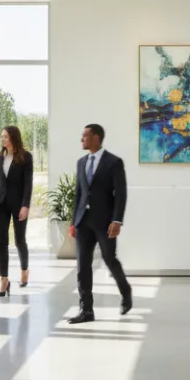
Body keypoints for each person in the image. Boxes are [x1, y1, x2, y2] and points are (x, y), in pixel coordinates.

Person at [69, 124, 132, 324]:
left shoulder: (113, 162)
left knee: (109, 259)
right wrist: (73, 222)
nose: (81, 139)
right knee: (82, 266)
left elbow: (120, 194)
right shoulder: (81, 163)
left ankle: (126, 292)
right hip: (82, 222)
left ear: (96, 137)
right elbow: (78, 195)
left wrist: (117, 220)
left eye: (85, 136)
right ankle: (86, 310)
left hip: (105, 223)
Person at [0, 125, 34, 296]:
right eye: (2, 136)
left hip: (18, 205)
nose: (3, 140)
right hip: (0, 203)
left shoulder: (26, 157)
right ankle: (4, 279)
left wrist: (26, 205)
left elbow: (28, 183)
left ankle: (24, 269)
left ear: (14, 138)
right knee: (1, 241)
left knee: (19, 240)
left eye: (6, 137)